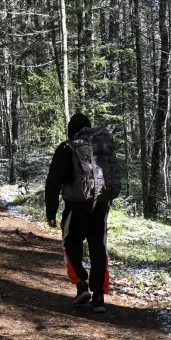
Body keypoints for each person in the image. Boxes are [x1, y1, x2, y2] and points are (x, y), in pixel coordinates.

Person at [45, 113, 113, 314]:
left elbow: (53, 181)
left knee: (70, 244)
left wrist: (51, 210)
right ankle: (99, 295)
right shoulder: (101, 148)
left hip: (75, 207)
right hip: (100, 205)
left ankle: (81, 285)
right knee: (98, 248)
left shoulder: (67, 148)